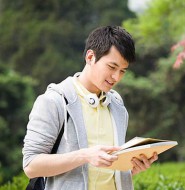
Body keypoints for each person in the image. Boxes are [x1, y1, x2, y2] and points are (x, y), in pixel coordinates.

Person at [22, 26, 158, 190]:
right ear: (90, 57)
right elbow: (31, 166)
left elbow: (106, 172)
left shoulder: (116, 105)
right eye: (112, 67)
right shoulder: (53, 101)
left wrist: (131, 167)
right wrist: (85, 155)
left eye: (122, 71)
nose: (116, 77)